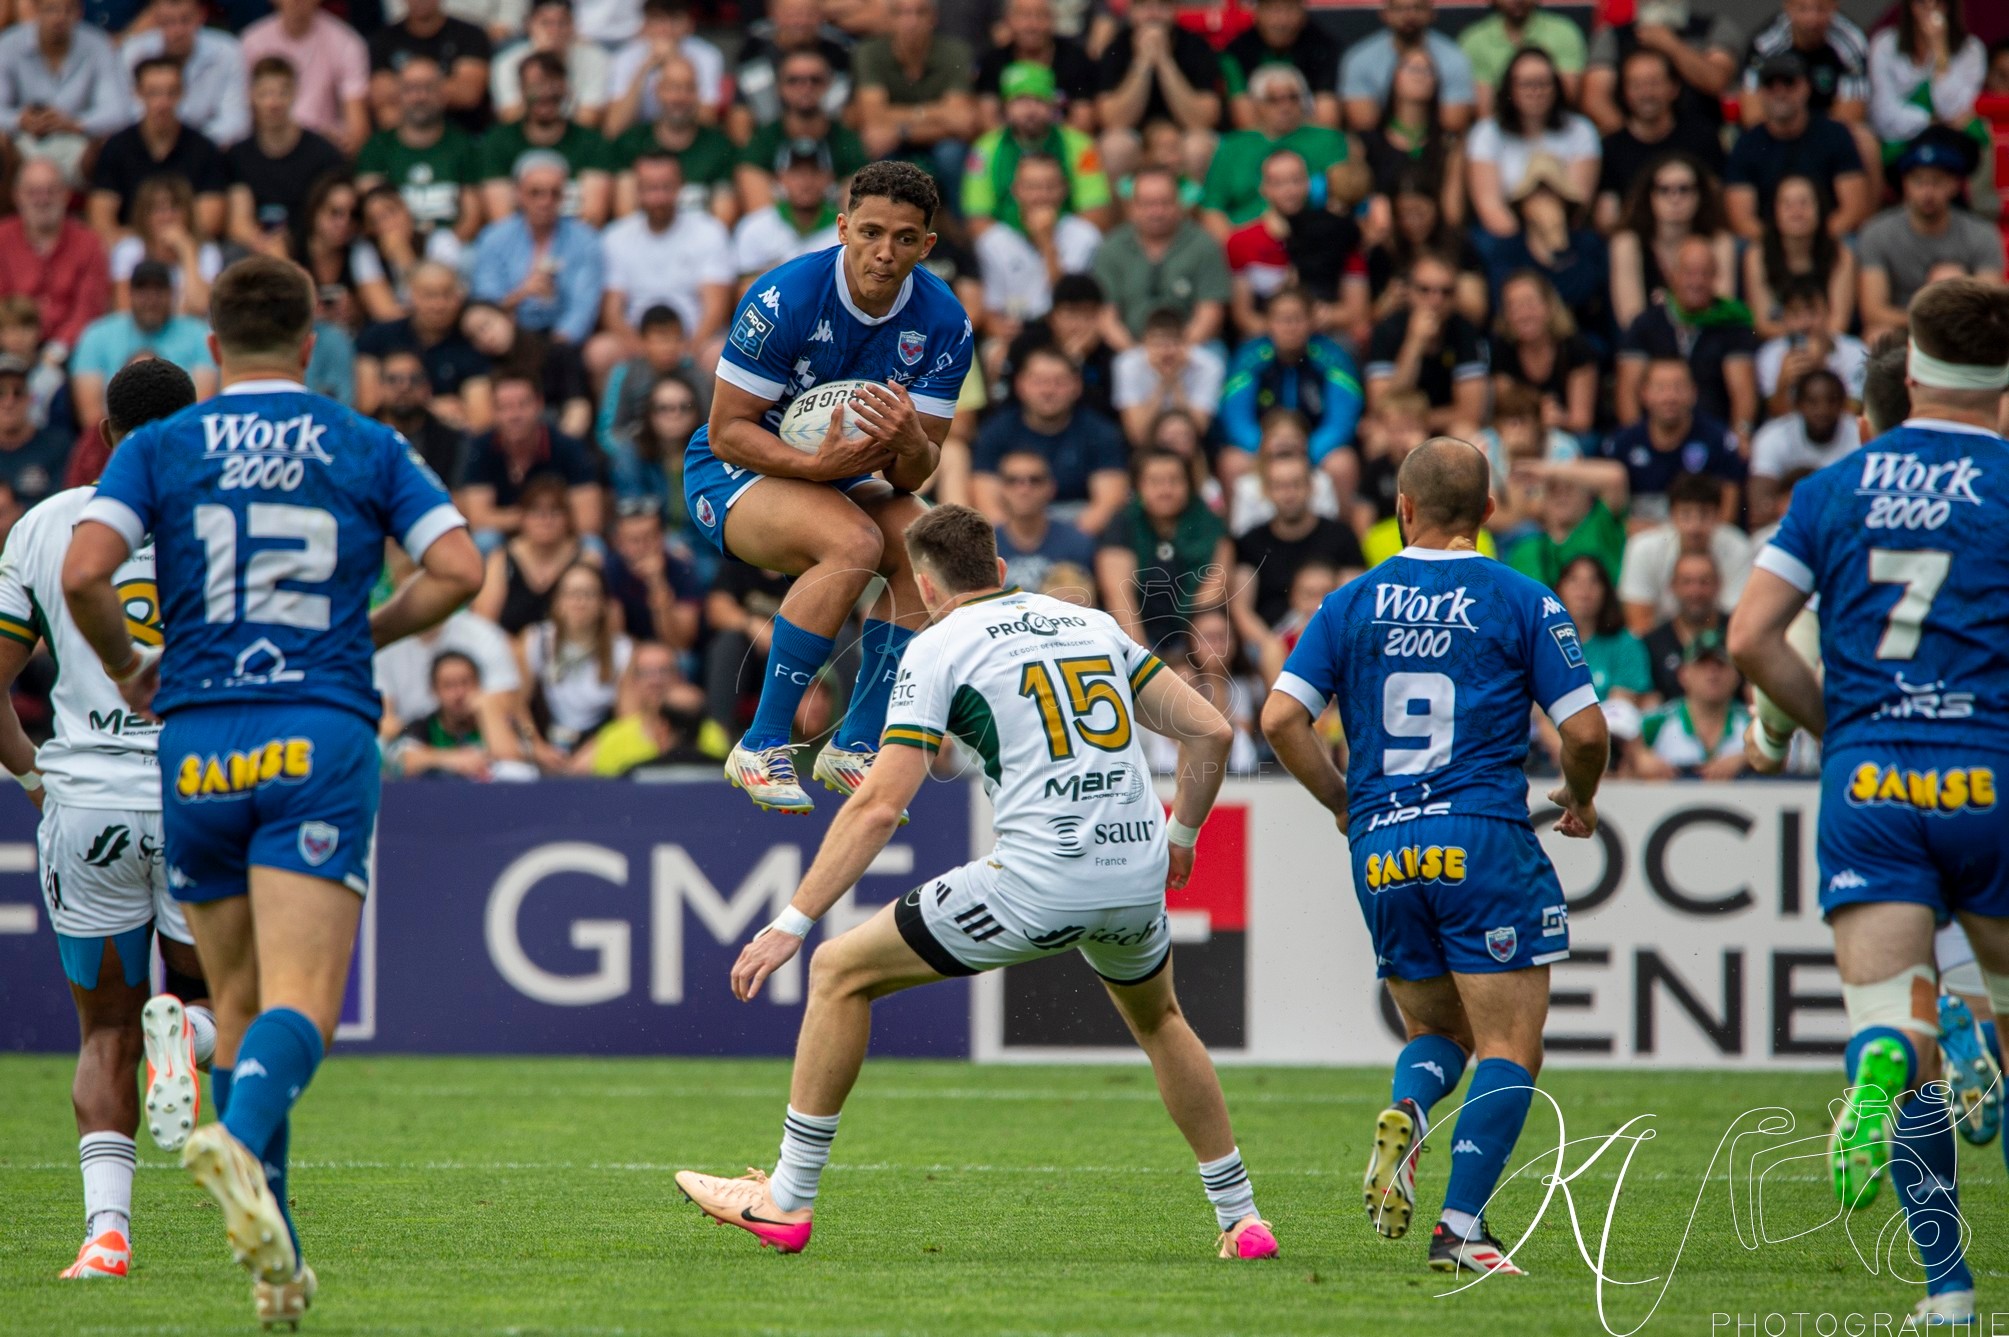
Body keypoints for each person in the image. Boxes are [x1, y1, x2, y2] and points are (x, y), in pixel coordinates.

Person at [676, 504, 1278, 1263]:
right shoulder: (1084, 621)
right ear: (997, 571)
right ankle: (1243, 1218)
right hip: (1136, 869)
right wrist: (1181, 836)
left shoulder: (937, 645)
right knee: (1160, 1021)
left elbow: (878, 804)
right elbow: (1211, 730)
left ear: (925, 589)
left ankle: (785, 1200)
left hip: (1039, 879)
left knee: (836, 971)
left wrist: (790, 921)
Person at [60, 255, 485, 1328]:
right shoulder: (362, 440)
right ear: (310, 343)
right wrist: (368, 628)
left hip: (195, 742)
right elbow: (460, 571)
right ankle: (236, 1139)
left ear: (212, 348)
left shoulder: (160, 443)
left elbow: (82, 572)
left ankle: (278, 1269)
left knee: (242, 1012)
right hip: (316, 726)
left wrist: (128, 670)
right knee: (303, 1008)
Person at [1261, 435, 1608, 1274]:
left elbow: (1277, 719)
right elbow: (1586, 731)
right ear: (1490, 513)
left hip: (1382, 846)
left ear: (1401, 511)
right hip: (1480, 836)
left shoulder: (1346, 603)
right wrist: (1581, 794)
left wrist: (1345, 802)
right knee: (1508, 1046)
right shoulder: (1522, 598)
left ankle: (1410, 1111)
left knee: (1434, 1028)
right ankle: (1462, 1227)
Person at [1730, 281, 2009, 1322]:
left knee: (1888, 1024)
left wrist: (1829, 722)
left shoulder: (1835, 486)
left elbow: (1749, 637)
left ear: (1912, 373)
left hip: (1870, 776)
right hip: (1987, 771)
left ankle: (1946, 1286)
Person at [0, 359, 214, 1282]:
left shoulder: (47, 526)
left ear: (105, 430)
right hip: (204, 796)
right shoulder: (224, 522)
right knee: (239, 1003)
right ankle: (191, 1039)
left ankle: (106, 1237)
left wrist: (32, 776)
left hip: (87, 803)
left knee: (102, 1031)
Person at [685, 161, 972, 814]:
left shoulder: (945, 321)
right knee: (853, 540)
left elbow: (911, 474)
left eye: (904, 238)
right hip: (732, 474)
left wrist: (906, 439)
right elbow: (727, 431)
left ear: (927, 245)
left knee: (928, 547)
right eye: (869, 231)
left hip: (835, 477)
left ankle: (856, 745)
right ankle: (761, 742)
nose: (883, 251)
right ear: (842, 228)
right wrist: (816, 468)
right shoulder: (784, 297)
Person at [591, 151, 732, 378]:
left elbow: (715, 309)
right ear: (637, 190)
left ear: (680, 187)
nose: (658, 197)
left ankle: (709, 416)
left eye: (666, 187)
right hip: (636, 344)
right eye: (650, 188)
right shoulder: (615, 236)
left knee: (718, 353)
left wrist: (688, 349)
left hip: (694, 341)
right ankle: (612, 415)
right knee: (600, 352)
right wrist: (646, 351)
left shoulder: (710, 231)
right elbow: (612, 312)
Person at [1856, 132, 2001, 342]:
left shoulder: (1981, 233)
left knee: (1950, 276)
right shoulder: (1877, 232)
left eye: (1937, 181)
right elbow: (1873, 311)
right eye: (1918, 181)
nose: (1927, 192)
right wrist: (1926, 319)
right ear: (1905, 183)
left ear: (1954, 184)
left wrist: (1954, 289)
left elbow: (1990, 303)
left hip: (1961, 329)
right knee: (1877, 336)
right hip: (1906, 328)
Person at [1218, 287, 1363, 490]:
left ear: (1312, 321)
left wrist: (1304, 453)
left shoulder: (1332, 357)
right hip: (1262, 450)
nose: (1290, 327)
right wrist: (1271, 451)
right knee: (1232, 462)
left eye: (1297, 319)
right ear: (1268, 323)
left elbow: (1341, 421)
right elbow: (1236, 419)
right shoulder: (1250, 357)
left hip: (1315, 451)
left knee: (1343, 463)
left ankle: (1340, 524)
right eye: (1282, 319)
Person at [971, 343, 1127, 532]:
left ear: (1076, 385)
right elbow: (987, 503)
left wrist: (1063, 543)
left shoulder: (1101, 432)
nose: (1048, 391)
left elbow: (1108, 504)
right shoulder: (995, 431)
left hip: (1081, 533)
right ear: (1021, 384)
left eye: (1058, 382)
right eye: (1039, 381)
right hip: (1012, 534)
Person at [1229, 449, 1364, 662]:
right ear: (1266, 491)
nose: (1289, 493)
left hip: (1332, 643)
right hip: (1270, 649)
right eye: (1280, 486)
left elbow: (1358, 599)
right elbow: (1240, 607)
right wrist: (1272, 647)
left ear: (1312, 487)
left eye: (1296, 484)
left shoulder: (1341, 536)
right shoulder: (1250, 542)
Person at [1613, 239, 1757, 436]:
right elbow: (1628, 391)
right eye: (1689, 273)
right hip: (1655, 438)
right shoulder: (1646, 324)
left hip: (1715, 436)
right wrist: (1636, 440)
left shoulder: (1733, 324)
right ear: (1673, 275)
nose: (1696, 282)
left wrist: (1740, 435)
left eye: (1705, 274)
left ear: (1716, 277)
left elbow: (1743, 393)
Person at [1723, 52, 1871, 242]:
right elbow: (1742, 220)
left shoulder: (1834, 134)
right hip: (1768, 243)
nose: (1780, 92)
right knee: (1740, 248)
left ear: (1806, 87)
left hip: (1828, 239)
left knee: (1853, 245)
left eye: (1789, 82)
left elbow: (1853, 210)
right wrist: (1783, 247)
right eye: (1770, 85)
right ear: (1760, 92)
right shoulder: (1747, 144)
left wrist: (1810, 243)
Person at [1098, 447, 1232, 655]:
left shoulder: (1209, 522)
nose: (1165, 490)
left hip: (1190, 638)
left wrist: (1185, 657)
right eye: (1155, 482)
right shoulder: (1124, 522)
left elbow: (1213, 589)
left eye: (1174, 480)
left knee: (1212, 622)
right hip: (1135, 638)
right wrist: (1145, 660)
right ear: (1139, 486)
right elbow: (1118, 595)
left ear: (1189, 484)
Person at [1200, 63, 1358, 237]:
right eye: (1273, 99)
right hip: (1245, 239)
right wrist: (1237, 247)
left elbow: (1345, 197)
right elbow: (1212, 209)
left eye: (1293, 97)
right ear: (1256, 104)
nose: (1285, 106)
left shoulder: (1329, 140)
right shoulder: (1232, 146)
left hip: (1312, 239)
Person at [1226, 149, 1367, 343]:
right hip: (1265, 339)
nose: (1290, 190)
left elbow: (1356, 311)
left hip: (1324, 336)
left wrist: (1326, 316)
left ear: (1309, 184)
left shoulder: (1341, 232)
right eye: (1279, 183)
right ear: (1263, 187)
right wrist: (1283, 328)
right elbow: (1243, 317)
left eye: (1296, 180)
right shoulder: (1241, 241)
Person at [469, 152, 606, 348]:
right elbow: (485, 305)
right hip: (508, 339)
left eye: (554, 193)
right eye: (535, 193)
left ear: (564, 196)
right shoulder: (493, 238)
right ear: (517, 194)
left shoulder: (585, 240)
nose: (545, 202)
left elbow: (582, 309)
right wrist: (522, 293)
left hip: (563, 343)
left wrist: (555, 346)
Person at [963, 61, 1113, 236]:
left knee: (1085, 234)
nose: (1030, 110)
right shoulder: (985, 148)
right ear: (1005, 106)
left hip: (1062, 233)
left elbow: (1095, 211)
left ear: (1053, 105)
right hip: (1010, 237)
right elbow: (977, 216)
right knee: (991, 240)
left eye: (1039, 100)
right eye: (1020, 100)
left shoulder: (1081, 145)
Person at [88, 58, 228, 245]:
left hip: (189, 247)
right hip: (130, 249)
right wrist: (146, 242)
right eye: (153, 93)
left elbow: (209, 222)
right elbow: (101, 220)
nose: (162, 103)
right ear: (137, 93)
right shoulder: (117, 147)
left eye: (171, 93)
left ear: (182, 93)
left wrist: (173, 243)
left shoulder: (203, 149)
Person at [1464, 47, 1598, 241]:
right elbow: (1489, 207)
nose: (1535, 91)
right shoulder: (1486, 132)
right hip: (1504, 238)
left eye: (1543, 83)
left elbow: (1577, 204)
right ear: (1510, 88)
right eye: (1526, 84)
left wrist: (1550, 240)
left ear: (1556, 87)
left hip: (1564, 234)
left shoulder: (1581, 130)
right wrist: (1525, 251)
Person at [225, 58, 350, 259]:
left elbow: (333, 214)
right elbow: (238, 222)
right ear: (251, 96)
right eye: (264, 93)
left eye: (282, 93)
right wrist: (269, 247)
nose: (273, 103)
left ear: (295, 94)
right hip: (260, 250)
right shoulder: (238, 155)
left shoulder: (324, 154)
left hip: (312, 247)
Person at [69, 262, 217, 430]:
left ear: (172, 294)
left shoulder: (198, 334)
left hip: (180, 437)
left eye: (159, 290)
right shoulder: (96, 335)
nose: (151, 300)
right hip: (117, 441)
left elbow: (201, 409)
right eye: (142, 290)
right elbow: (92, 418)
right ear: (129, 294)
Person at [356, 55, 484, 248]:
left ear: (443, 94)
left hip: (451, 251)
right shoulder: (377, 147)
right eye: (410, 89)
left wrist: (444, 251)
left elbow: (472, 218)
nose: (419, 97)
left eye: (428, 88)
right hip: (394, 249)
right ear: (398, 96)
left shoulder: (464, 146)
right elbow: (371, 214)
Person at [974, 151, 1103, 341]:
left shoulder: (1086, 236)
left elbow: (1070, 300)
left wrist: (1047, 242)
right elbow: (990, 312)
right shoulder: (993, 241)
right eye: (1032, 187)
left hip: (1069, 334)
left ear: (1064, 189)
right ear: (1016, 190)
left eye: (1050, 187)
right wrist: (998, 329)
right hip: (1016, 333)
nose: (1042, 196)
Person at [0, 0, 133, 181]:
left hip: (77, 144)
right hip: (22, 143)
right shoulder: (9, 44)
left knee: (108, 144)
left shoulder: (98, 44)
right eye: (51, 9)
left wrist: (75, 124)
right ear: (36, 9)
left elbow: (119, 111)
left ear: (80, 11)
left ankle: (100, 207)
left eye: (68, 10)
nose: (59, 18)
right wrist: (20, 120)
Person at [459, 375, 602, 542]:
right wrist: (535, 517)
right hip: (508, 543)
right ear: (494, 412)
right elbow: (478, 519)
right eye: (504, 407)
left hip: (561, 540)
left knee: (592, 543)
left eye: (523, 405)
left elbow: (589, 522)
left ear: (539, 404)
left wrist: (541, 526)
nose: (514, 415)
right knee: (485, 539)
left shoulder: (568, 446)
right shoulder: (482, 447)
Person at [1607, 151, 1735, 334]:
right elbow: (1630, 321)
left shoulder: (1719, 241)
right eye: (1664, 189)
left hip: (1706, 340)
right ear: (1650, 196)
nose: (1675, 198)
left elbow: (1722, 309)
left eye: (1684, 189)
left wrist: (1669, 308)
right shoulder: (1627, 243)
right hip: (1648, 345)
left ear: (1700, 195)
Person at [1603, 358, 1744, 524]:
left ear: (1694, 392)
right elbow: (1611, 515)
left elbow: (1728, 512)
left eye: (1679, 387)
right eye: (1660, 388)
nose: (1670, 397)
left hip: (1702, 535)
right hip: (1641, 538)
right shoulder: (1622, 443)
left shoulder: (1718, 440)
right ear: (1644, 393)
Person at [479, 53, 613, 226]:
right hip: (517, 246)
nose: (545, 94)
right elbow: (501, 220)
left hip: (575, 244)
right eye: (536, 86)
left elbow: (593, 218)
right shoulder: (497, 142)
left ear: (566, 87)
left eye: (553, 85)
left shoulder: (592, 142)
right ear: (521, 89)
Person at [1093, 0, 1223, 177]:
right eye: (1144, 6)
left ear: (1174, 10)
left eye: (1162, 6)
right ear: (1131, 12)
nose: (1153, 14)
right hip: (1136, 138)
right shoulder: (1116, 48)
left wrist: (1165, 62)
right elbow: (1112, 120)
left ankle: (1195, 205)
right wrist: (1142, 63)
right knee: (1115, 146)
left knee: (1198, 146)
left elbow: (1203, 120)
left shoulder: (1197, 47)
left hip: (1184, 134)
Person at [1363, 251, 1488, 435]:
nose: (1435, 300)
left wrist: (1417, 422)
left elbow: (1471, 413)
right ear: (1410, 292)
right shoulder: (1388, 329)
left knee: (1465, 432)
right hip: (1396, 429)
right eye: (1425, 290)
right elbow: (1381, 406)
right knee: (1378, 437)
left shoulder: (1464, 330)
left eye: (1446, 292)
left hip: (1438, 427)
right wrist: (1414, 344)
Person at [1580, 0, 1741, 142]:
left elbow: (1716, 81)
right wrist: (1636, 140)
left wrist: (1670, 45)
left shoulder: (1713, 27)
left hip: (1702, 142)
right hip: (1633, 148)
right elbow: (1595, 100)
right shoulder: (1612, 36)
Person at [355, 261, 491, 427]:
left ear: (459, 297)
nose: (439, 305)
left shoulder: (471, 344)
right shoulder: (378, 336)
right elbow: (367, 405)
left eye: (447, 294)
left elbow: (480, 421)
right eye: (429, 295)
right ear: (411, 296)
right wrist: (429, 406)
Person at [736, 49, 867, 218]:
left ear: (829, 84)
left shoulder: (847, 140)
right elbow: (760, 217)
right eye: (794, 80)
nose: (805, 87)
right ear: (779, 86)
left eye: (815, 80)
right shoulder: (762, 140)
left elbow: (854, 215)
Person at [609, 56, 738, 227]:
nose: (679, 97)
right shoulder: (631, 142)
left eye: (688, 88)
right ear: (657, 90)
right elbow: (626, 215)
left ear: (698, 93)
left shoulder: (719, 146)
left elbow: (724, 219)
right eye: (672, 87)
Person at [0, 157, 109, 358]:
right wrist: (15, 344)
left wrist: (58, 349)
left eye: (51, 191)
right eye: (33, 192)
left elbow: (89, 308)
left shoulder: (89, 243)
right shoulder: (2, 239)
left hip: (71, 350)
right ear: (16, 196)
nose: (42, 199)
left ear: (66, 195)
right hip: (7, 345)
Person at [1618, 472, 1751, 635]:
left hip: (1718, 645)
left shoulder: (1738, 548)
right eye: (1686, 514)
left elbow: (1736, 620)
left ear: (1718, 516)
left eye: (1704, 514)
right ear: (1672, 516)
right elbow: (1639, 623)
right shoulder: (1642, 548)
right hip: (1659, 648)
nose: (1694, 527)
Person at [851, 0, 976, 172]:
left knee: (952, 154)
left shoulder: (956, 52)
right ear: (890, 19)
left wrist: (902, 132)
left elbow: (961, 121)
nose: (911, 22)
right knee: (876, 146)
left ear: (934, 18)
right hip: (897, 141)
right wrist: (940, 112)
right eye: (901, 13)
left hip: (932, 141)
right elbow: (874, 118)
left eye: (920, 13)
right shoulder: (869, 52)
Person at [240, 0, 370, 156]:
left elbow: (357, 131)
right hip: (267, 149)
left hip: (322, 150)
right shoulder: (251, 42)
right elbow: (244, 117)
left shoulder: (347, 42)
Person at [119, 0, 249, 147]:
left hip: (211, 151)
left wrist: (189, 147)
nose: (177, 31)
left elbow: (236, 121)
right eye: (168, 22)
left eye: (185, 20)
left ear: (201, 16)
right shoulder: (134, 53)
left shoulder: (228, 50)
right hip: (146, 148)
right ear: (155, 18)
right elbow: (129, 114)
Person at [1743, 178, 1857, 341]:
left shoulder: (1841, 254)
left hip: (1829, 342)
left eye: (1804, 203)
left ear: (1820, 209)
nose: (1796, 212)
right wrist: (1800, 340)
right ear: (1774, 211)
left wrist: (1814, 344)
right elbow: (1763, 325)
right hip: (1778, 343)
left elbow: (1839, 322)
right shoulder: (1757, 256)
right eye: (1787, 204)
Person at [1868, 0, 1986, 156]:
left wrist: (1940, 49)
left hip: (1952, 142)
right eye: (1921, 3)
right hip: (1899, 142)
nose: (1930, 9)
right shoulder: (1884, 44)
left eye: (1938, 3)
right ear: (1909, 6)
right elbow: (1883, 114)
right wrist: (1931, 122)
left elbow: (1954, 109)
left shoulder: (1971, 49)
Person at [1340, 0, 1475, 135]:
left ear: (1432, 13)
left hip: (1437, 145)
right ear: (1384, 14)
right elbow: (1363, 124)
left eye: (1418, 8)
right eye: (1399, 9)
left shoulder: (1454, 58)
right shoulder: (1360, 59)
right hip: (1378, 149)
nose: (1409, 16)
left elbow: (1454, 124)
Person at [1491, 270, 1595, 442]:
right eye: (1513, 306)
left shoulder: (1575, 347)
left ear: (1549, 305)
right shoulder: (1502, 347)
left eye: (1529, 304)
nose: (1523, 314)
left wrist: (1558, 419)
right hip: (1519, 433)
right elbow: (1506, 408)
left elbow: (1581, 421)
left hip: (1567, 432)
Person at [1630, 629, 1748, 779]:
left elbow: (1782, 755)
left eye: (1721, 663)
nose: (1712, 671)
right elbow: (1626, 749)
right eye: (1702, 664)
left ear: (1737, 674)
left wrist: (1748, 759)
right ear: (1683, 674)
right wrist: (1637, 757)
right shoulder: (1657, 722)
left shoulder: (1752, 724)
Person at [366, 0, 492, 136]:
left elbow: (468, 95)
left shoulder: (470, 35)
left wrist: (405, 87)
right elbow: (382, 99)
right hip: (404, 142)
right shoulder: (382, 41)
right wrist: (443, 86)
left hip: (465, 135)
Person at [1750, 369, 1860, 524]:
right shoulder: (1773, 437)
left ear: (1843, 403)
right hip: (1786, 527)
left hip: (1842, 527)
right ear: (1798, 405)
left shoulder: (1860, 436)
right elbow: (1758, 510)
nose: (1823, 410)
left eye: (1831, 401)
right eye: (1812, 402)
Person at [990, 446, 1098, 596]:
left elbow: (1087, 604)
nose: (1023, 490)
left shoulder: (1078, 543)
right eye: (1012, 480)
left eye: (1035, 480)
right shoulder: (984, 546)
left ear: (1051, 487)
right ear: (1001, 489)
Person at [975, 0, 1098, 132]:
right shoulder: (993, 61)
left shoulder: (1075, 59)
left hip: (1061, 147)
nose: (1032, 25)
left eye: (1040, 16)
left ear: (1053, 20)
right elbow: (987, 121)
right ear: (1008, 20)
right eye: (1024, 16)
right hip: (1008, 147)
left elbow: (1083, 121)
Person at [1222, 0, 1341, 131]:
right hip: (1257, 141)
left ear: (1303, 12)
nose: (1281, 21)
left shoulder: (1324, 48)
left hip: (1308, 140)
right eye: (1272, 10)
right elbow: (1245, 122)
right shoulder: (1236, 52)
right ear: (1257, 12)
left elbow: (1327, 120)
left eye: (1290, 10)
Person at [731, 138, 839, 282]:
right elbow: (744, 291)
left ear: (829, 178)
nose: (806, 182)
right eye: (796, 173)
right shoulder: (754, 228)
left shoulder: (845, 230)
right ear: (780, 178)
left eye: (814, 172)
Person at [1113, 307, 1224, 446]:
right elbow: (1137, 434)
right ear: (1145, 343)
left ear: (1186, 342)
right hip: (1145, 445)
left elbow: (1197, 430)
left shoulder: (1209, 365)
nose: (1166, 352)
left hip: (1193, 447)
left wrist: (1176, 381)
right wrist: (1162, 385)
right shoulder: (1127, 365)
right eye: (1158, 344)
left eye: (1174, 343)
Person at [491, 0, 610, 128]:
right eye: (546, 23)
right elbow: (511, 117)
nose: (554, 31)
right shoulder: (507, 62)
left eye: (562, 23)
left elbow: (588, 119)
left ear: (573, 26)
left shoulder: (595, 58)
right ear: (529, 25)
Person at [1554, 552, 1652, 707]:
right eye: (1574, 580)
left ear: (1606, 591)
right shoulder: (1544, 642)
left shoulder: (1625, 643)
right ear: (1558, 589)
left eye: (1593, 581)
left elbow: (1619, 708)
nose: (1584, 590)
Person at [387, 650, 495, 779]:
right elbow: (403, 761)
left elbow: (512, 759)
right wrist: (453, 759)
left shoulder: (496, 723)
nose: (459, 693)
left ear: (479, 684)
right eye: (448, 685)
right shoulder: (420, 726)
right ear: (434, 689)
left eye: (465, 682)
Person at [1642, 550, 1726, 701]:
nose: (1695, 591)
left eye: (1704, 582)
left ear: (1718, 584)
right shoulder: (1652, 644)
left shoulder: (1736, 634)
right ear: (1672, 586)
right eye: (1687, 582)